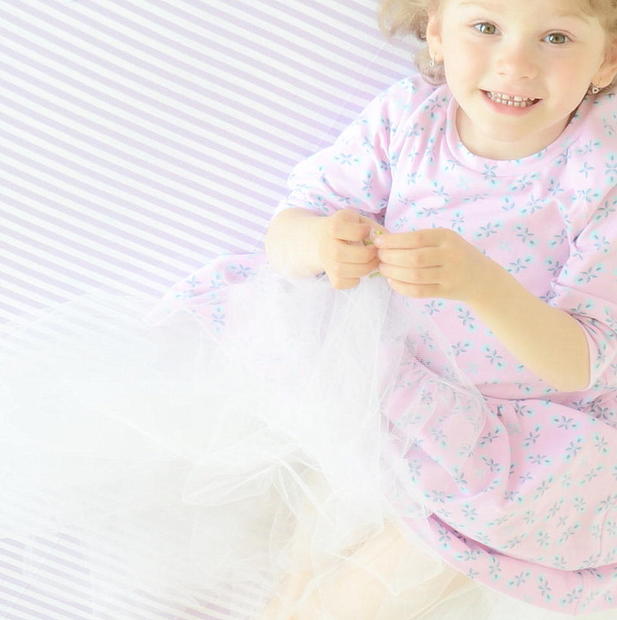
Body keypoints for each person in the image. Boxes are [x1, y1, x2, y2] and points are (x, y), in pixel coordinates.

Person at [1, 0, 616, 619]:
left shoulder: (600, 168)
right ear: (436, 32)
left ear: (607, 58)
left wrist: (482, 284)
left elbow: (582, 361)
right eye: (485, 27)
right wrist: (323, 242)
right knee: (305, 566)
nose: (514, 63)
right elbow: (288, 232)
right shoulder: (410, 118)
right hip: (376, 384)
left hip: (511, 441)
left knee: (374, 584)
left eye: (556, 37)